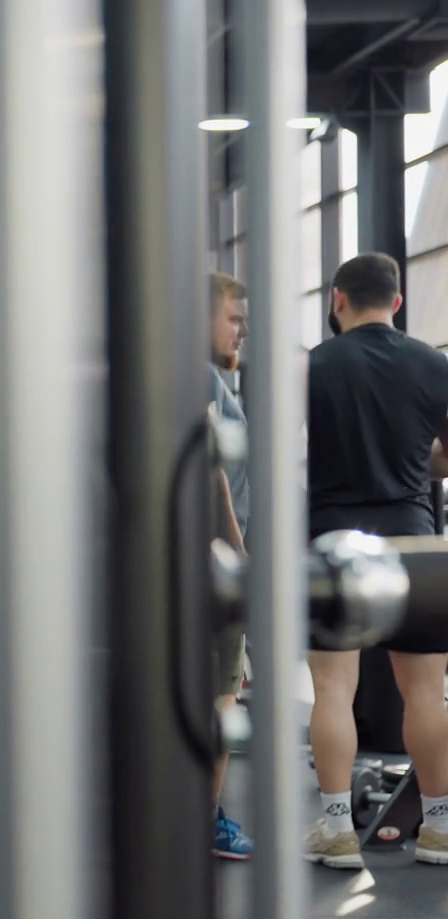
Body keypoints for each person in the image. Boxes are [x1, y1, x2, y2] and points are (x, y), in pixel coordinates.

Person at [304, 252, 448, 869]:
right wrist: (416, 463)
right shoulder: (433, 364)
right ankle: (440, 827)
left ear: (337, 299)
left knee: (333, 688)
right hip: (412, 541)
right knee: (427, 691)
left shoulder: (315, 364)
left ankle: (337, 830)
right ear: (396, 302)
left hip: (334, 542)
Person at [206, 272, 256, 861]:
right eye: (234, 318)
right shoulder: (200, 379)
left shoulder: (210, 378)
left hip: (204, 564)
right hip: (214, 569)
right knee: (221, 699)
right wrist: (241, 560)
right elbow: (213, 471)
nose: (242, 331)